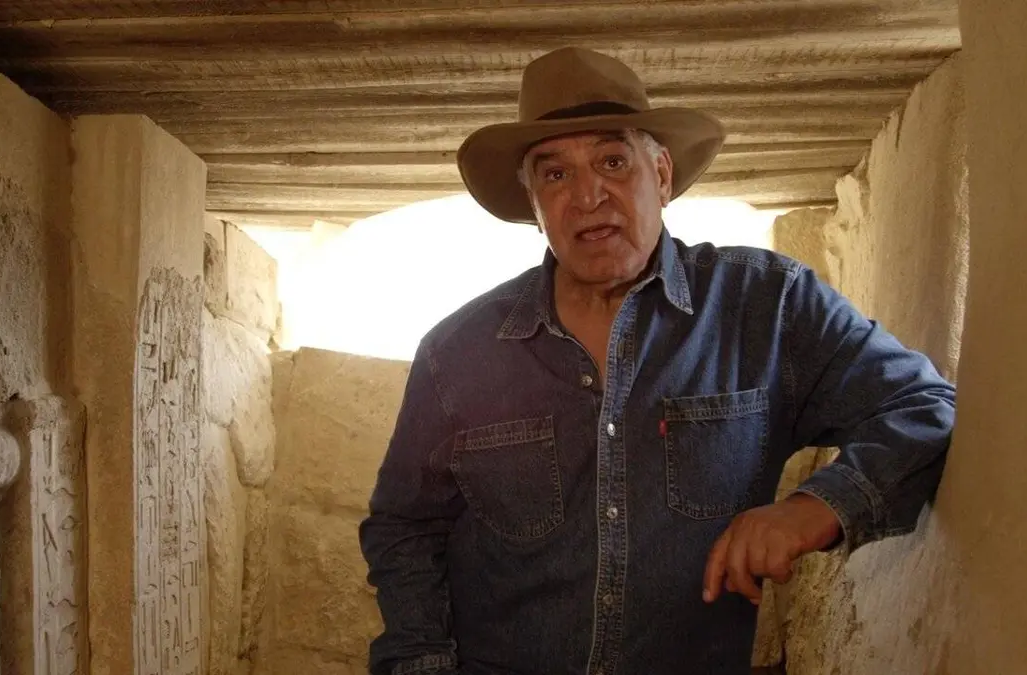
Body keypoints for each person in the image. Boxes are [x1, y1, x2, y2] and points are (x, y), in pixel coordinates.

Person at [358, 47, 955, 675]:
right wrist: (421, 663)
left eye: (613, 162)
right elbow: (405, 527)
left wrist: (818, 507)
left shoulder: (768, 307)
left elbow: (922, 405)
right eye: (555, 174)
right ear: (533, 203)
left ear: (662, 175)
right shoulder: (456, 351)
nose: (588, 195)